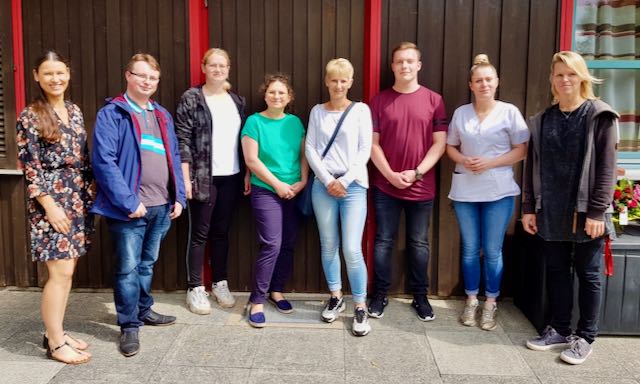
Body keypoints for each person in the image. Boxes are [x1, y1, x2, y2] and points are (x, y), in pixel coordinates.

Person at [522, 51, 618, 365]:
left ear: (583, 77)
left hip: (586, 212)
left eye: (571, 74)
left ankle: (585, 337)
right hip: (551, 210)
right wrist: (529, 208)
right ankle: (560, 329)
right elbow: (531, 167)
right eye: (559, 74)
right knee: (557, 271)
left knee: (589, 275)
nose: (565, 80)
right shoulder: (542, 120)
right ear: (552, 79)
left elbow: (606, 168)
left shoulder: (599, 115)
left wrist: (596, 212)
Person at [91, 53, 186, 357]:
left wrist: (179, 197)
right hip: (130, 209)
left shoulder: (162, 114)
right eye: (142, 75)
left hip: (161, 206)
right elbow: (103, 162)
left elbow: (174, 154)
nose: (147, 82)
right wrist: (129, 202)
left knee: (147, 264)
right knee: (128, 268)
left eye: (153, 77)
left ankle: (144, 310)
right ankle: (129, 325)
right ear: (128, 76)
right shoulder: (113, 114)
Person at [16, 51, 93, 364]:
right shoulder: (30, 115)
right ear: (36, 76)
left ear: (69, 74)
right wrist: (49, 206)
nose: (55, 79)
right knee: (59, 273)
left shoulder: (73, 111)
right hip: (52, 203)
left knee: (68, 271)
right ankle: (56, 343)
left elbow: (84, 157)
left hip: (76, 199)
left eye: (60, 72)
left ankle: (55, 332)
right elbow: (29, 167)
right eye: (48, 73)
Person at [446, 54, 529, 331]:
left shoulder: (509, 112)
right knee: (470, 249)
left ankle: (491, 302)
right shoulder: (461, 113)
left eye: (488, 80)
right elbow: (450, 146)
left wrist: (490, 162)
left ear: (497, 82)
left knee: (492, 250)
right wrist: (462, 159)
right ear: (471, 84)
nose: (484, 84)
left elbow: (522, 149)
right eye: (478, 80)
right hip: (465, 190)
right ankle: (471, 299)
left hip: (498, 190)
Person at [368, 42, 448, 321]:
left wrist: (417, 172)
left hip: (421, 186)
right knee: (383, 241)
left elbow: (440, 144)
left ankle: (420, 296)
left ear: (419, 65)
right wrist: (390, 174)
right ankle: (379, 295)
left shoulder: (434, 100)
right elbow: (372, 144)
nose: (404, 66)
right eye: (399, 61)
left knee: (419, 243)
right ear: (392, 66)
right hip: (384, 185)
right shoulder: (378, 101)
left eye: (409, 61)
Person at [176, 48, 248, 314]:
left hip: (231, 176)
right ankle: (195, 287)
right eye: (213, 65)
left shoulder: (236, 101)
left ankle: (219, 282)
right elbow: (182, 139)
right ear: (204, 67)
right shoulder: (192, 98)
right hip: (203, 177)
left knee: (222, 232)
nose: (218, 69)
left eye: (223, 65)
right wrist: (185, 179)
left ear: (228, 69)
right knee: (200, 233)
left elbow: (244, 142)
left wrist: (247, 173)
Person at [306, 58, 373, 336]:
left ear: (351, 82)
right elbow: (310, 147)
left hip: (353, 185)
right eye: (334, 80)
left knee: (351, 248)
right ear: (326, 81)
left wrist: (343, 181)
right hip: (323, 186)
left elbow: (364, 149)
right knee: (328, 245)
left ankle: (360, 304)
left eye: (343, 80)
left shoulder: (361, 111)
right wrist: (328, 180)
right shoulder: (317, 112)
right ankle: (336, 296)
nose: (338, 85)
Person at [241, 73, 307, 328]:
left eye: (282, 92)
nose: (276, 96)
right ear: (265, 95)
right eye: (272, 92)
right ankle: (257, 300)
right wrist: (277, 185)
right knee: (272, 244)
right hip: (266, 190)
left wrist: (302, 181)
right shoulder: (254, 122)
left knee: (288, 243)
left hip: (294, 190)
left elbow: (304, 155)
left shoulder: (295, 123)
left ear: (289, 97)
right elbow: (252, 160)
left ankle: (276, 291)